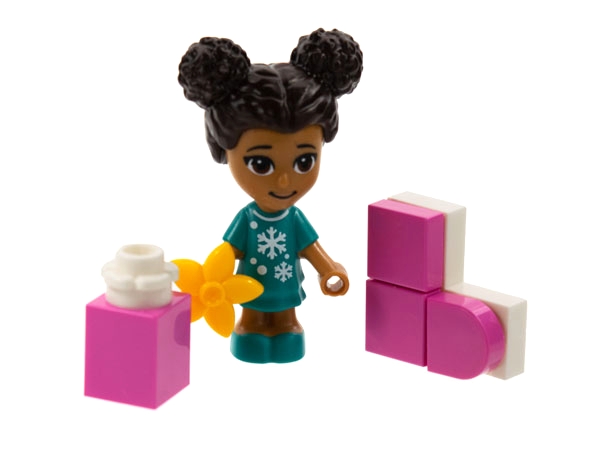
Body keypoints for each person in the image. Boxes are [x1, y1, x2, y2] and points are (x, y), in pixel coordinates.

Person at [178, 28, 363, 363]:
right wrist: (209, 280)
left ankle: (287, 329)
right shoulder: (248, 218)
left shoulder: (293, 218)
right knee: (251, 319)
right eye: (261, 164)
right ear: (225, 151)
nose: (284, 180)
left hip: (285, 286)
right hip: (248, 288)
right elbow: (229, 252)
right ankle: (250, 329)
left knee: (287, 321)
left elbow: (310, 247)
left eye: (305, 161)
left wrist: (329, 270)